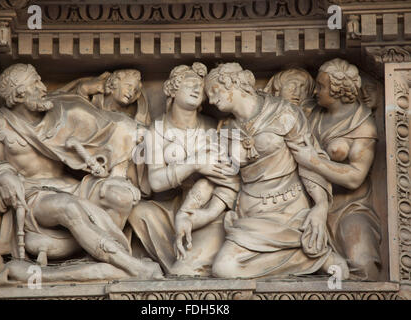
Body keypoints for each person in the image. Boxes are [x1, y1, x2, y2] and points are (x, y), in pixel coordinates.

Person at [0, 63, 162, 282]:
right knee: (68, 207)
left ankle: (96, 255)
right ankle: (131, 265)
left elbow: (80, 102)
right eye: (35, 83)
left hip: (72, 186)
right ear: (20, 94)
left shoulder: (54, 108)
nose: (43, 87)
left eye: (40, 80)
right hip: (34, 196)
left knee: (121, 195)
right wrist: (4, 175)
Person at [204, 62, 349, 279]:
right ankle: (308, 258)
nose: (212, 100)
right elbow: (224, 179)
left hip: (291, 209)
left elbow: (309, 162)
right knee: (223, 269)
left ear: (232, 83)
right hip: (251, 214)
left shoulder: (284, 112)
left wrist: (320, 207)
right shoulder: (225, 130)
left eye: (214, 91)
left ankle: (315, 256)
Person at [128, 63, 240, 276]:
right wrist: (195, 163)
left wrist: (196, 212)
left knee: (186, 272)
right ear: (171, 90)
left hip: (209, 207)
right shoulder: (157, 131)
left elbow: (227, 177)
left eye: (200, 86)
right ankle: (170, 262)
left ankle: (185, 264)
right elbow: (156, 183)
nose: (197, 89)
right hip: (173, 208)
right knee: (139, 212)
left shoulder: (213, 126)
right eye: (190, 84)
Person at [288, 58, 381, 280]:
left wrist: (313, 161)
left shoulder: (363, 125)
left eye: (321, 86)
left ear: (339, 90)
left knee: (364, 267)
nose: (315, 91)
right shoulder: (312, 112)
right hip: (305, 202)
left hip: (347, 207)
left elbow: (355, 177)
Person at [52, 69, 151, 126]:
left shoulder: (129, 116)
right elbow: (68, 106)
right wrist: (83, 90)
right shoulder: (94, 90)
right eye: (128, 86)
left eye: (135, 90)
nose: (131, 93)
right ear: (115, 82)